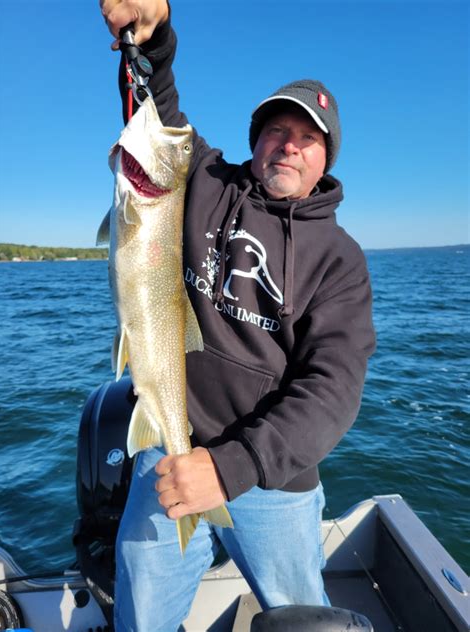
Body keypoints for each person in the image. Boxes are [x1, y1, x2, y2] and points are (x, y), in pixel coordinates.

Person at [100, 1, 376, 630]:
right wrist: (155, 35)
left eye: (308, 139)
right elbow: (158, 111)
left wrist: (231, 470)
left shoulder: (341, 261)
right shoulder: (202, 180)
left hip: (271, 480)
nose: (291, 146)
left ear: (325, 161)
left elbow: (331, 393)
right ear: (255, 141)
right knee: (139, 617)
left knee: (302, 618)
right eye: (278, 131)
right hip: (169, 450)